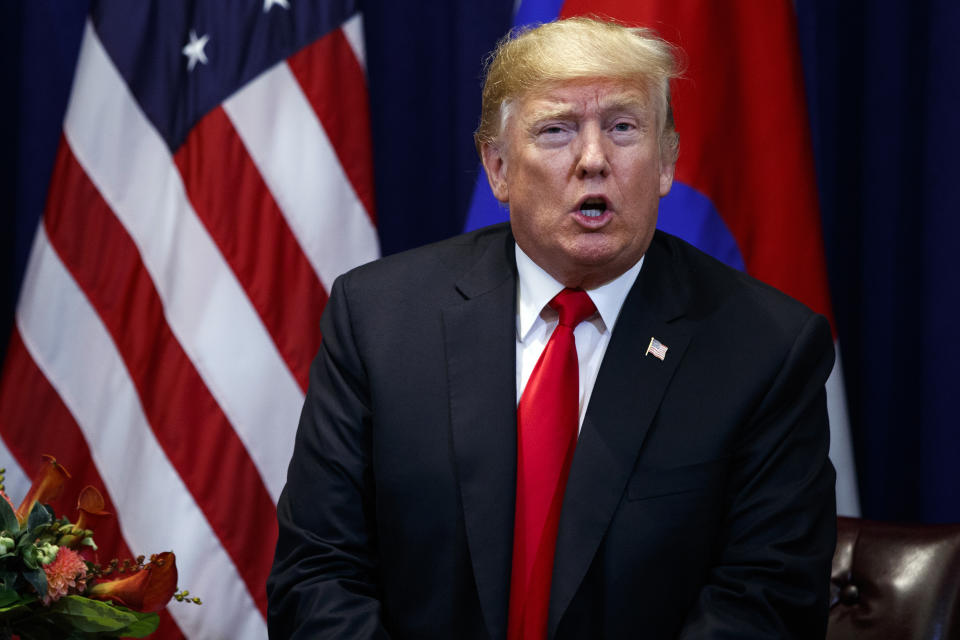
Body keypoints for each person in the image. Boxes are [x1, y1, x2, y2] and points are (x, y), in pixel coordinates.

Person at [267, 17, 836, 639]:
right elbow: (318, 575)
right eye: (556, 131)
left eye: (622, 128)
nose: (593, 160)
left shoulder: (767, 347)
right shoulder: (377, 318)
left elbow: (767, 603)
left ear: (667, 161)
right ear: (499, 168)